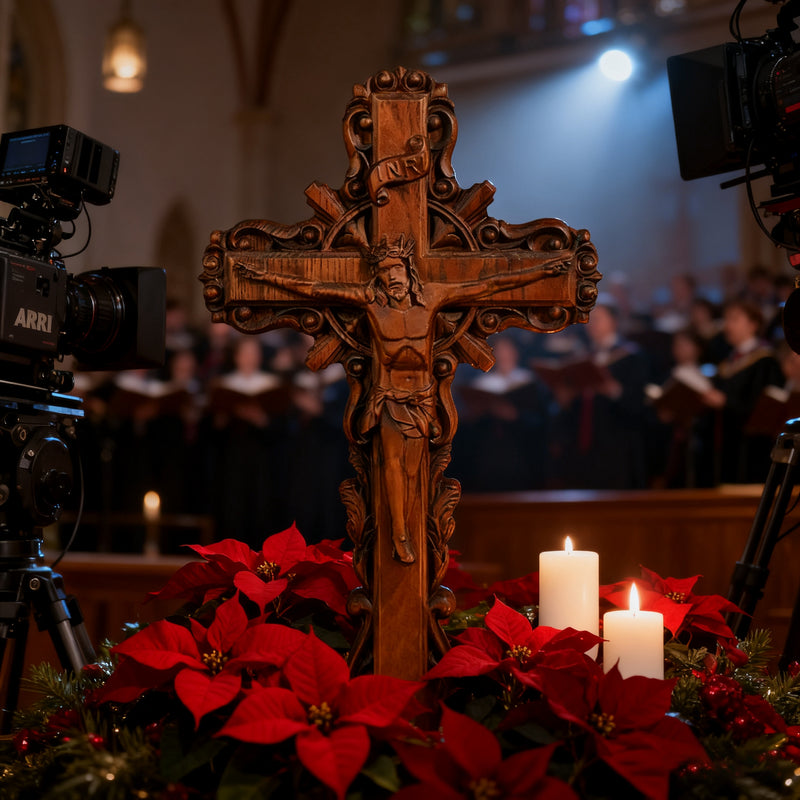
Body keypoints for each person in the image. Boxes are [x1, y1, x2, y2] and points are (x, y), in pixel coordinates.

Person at [236, 233, 569, 562]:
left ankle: (410, 527)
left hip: (423, 400)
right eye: (383, 274)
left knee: (414, 472)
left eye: (395, 270)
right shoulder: (373, 304)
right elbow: (316, 288)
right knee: (392, 467)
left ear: (408, 269)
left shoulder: (434, 296)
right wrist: (265, 275)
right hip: (390, 398)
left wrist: (542, 270)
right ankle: (398, 532)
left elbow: (491, 284)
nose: (390, 278)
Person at [703, 299, 783, 484]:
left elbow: (764, 407)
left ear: (753, 325)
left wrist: (726, 403)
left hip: (753, 446)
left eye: (734, 319)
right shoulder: (727, 362)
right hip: (727, 442)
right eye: (726, 319)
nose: (727, 325)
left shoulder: (765, 360)